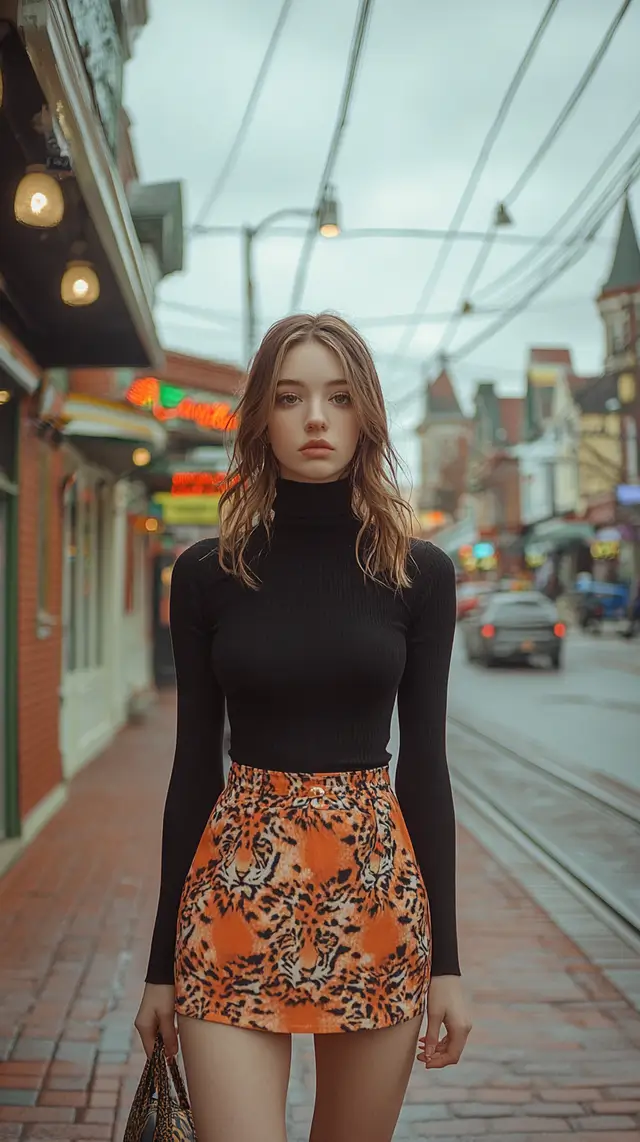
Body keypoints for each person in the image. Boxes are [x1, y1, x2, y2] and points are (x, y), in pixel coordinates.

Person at [134, 313, 471, 1142]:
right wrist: (157, 970)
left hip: (377, 906)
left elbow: (424, 769)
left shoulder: (418, 574)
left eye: (340, 396)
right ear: (261, 417)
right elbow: (190, 776)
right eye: (291, 397)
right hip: (231, 906)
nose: (316, 418)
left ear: (367, 418)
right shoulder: (207, 573)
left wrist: (450, 966)